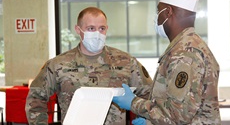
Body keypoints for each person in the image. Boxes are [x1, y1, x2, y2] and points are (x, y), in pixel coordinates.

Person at [25, 7, 153, 125]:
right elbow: (36, 98)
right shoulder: (58, 64)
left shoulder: (126, 62)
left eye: (102, 28)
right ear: (78, 30)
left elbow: (150, 94)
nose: (97, 33)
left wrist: (146, 118)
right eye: (91, 28)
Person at [113, 0, 221, 124]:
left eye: (159, 11)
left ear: (168, 12)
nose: (157, 16)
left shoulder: (185, 53)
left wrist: (134, 103)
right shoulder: (189, 45)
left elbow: (177, 116)